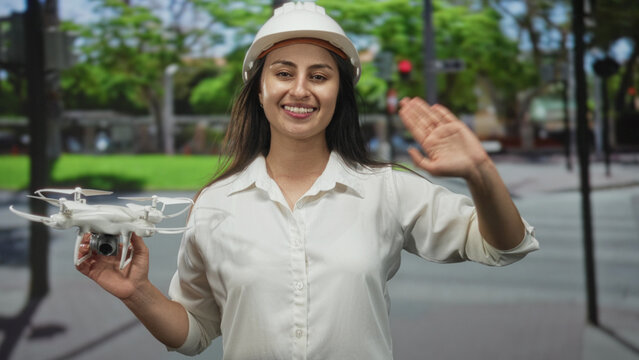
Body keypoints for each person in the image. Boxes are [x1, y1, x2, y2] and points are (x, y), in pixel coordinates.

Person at [76, 2, 539, 359]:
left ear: (339, 92)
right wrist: (137, 291)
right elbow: (195, 331)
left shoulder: (388, 189)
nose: (300, 89)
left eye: (319, 76)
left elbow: (503, 246)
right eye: (283, 73)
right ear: (260, 89)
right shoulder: (216, 204)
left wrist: (479, 171)